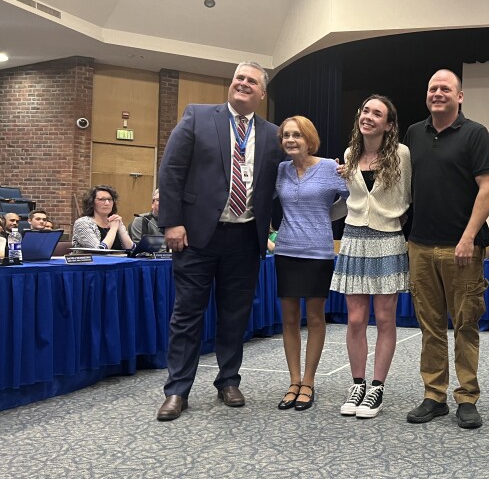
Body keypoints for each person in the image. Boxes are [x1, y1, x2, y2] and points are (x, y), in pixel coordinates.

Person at [156, 61, 285, 421]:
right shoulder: (197, 116)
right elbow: (171, 171)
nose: (242, 84)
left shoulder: (273, 134)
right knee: (187, 316)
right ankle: (177, 390)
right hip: (196, 236)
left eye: (251, 81)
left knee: (234, 316)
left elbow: (292, 171)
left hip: (245, 237)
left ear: (262, 93)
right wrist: (172, 222)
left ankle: (228, 380)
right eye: (238, 78)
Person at [403, 69, 489, 429]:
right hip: (421, 247)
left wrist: (468, 238)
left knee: (465, 325)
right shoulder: (414, 133)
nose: (437, 93)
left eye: (445, 88)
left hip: (463, 249)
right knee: (429, 327)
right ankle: (434, 395)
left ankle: (467, 396)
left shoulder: (475, 134)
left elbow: (487, 188)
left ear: (460, 97)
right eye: (432, 88)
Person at [332, 95, 411, 419]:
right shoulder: (350, 155)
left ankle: (377, 387)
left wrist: (392, 226)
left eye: (377, 113)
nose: (368, 116)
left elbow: (407, 198)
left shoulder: (401, 154)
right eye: (365, 110)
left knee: (385, 318)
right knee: (354, 319)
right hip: (354, 237)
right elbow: (347, 201)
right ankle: (358, 384)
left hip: (387, 238)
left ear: (389, 124)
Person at [274, 116, 348, 411]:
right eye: (286, 136)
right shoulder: (280, 170)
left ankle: (309, 381)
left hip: (318, 252)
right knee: (289, 319)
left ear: (309, 139)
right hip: (286, 252)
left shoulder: (330, 168)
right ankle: (293, 381)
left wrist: (323, 217)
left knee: (315, 319)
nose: (290, 140)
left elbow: (352, 198)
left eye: (297, 135)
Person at [72, 185, 135, 250]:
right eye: (102, 199)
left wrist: (120, 228)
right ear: (92, 202)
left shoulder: (115, 221)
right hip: (94, 260)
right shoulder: (82, 223)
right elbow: (99, 250)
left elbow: (131, 249)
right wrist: (113, 229)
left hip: (118, 260)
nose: (107, 203)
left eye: (110, 199)